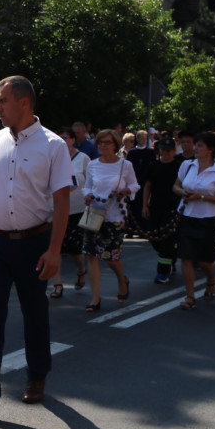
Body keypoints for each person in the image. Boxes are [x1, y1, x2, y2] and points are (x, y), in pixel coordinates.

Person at [0, 76, 71, 422]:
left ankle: (37, 376)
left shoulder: (53, 146)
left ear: (23, 103)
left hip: (34, 242)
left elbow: (61, 202)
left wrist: (54, 250)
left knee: (35, 313)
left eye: (2, 100)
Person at [80, 130, 138, 312]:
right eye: (100, 143)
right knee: (92, 256)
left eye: (106, 142)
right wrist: (87, 195)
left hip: (114, 216)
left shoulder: (125, 165)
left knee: (111, 257)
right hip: (94, 214)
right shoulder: (93, 165)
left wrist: (125, 191)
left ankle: (122, 278)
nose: (102, 146)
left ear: (115, 145)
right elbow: (87, 186)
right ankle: (95, 297)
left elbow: (135, 185)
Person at [173, 131, 215, 310]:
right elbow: (175, 186)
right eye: (194, 144)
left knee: (205, 260)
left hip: (208, 219)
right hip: (186, 217)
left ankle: (211, 279)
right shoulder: (187, 165)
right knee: (186, 257)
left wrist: (202, 197)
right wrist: (183, 193)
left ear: (210, 149)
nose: (194, 148)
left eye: (199, 145)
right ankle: (190, 296)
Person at [49, 127, 90, 298]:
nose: (63, 140)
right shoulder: (52, 158)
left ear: (73, 139)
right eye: (60, 137)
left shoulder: (83, 159)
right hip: (54, 209)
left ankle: (81, 269)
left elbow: (90, 183)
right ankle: (57, 284)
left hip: (77, 209)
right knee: (54, 247)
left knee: (74, 249)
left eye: (66, 137)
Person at [141, 137, 183, 283]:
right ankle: (170, 256)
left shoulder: (179, 166)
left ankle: (163, 272)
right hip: (155, 207)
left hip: (173, 208)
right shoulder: (154, 165)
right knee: (153, 237)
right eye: (162, 149)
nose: (165, 152)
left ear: (174, 151)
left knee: (167, 240)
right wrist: (145, 205)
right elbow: (147, 186)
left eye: (168, 150)